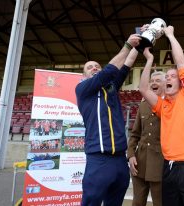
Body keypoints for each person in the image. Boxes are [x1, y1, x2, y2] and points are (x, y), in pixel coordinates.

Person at [139, 25, 184, 206]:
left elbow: (181, 62)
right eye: (166, 76)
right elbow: (143, 89)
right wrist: (149, 59)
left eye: (173, 76)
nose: (168, 78)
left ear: (182, 82)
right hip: (167, 167)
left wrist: (169, 35)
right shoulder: (163, 106)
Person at [75, 34, 141, 206]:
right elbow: (109, 71)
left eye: (97, 66)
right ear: (84, 75)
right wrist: (127, 45)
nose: (95, 68)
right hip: (99, 158)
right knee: (91, 202)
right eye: (90, 68)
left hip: (120, 159)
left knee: (115, 203)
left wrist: (142, 42)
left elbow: (125, 66)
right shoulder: (82, 89)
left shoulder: (110, 88)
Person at [127, 70, 165, 206]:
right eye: (152, 81)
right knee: (137, 202)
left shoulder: (170, 105)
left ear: (165, 84)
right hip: (140, 162)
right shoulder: (143, 105)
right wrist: (131, 154)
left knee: (160, 202)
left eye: (158, 81)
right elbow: (135, 133)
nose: (154, 83)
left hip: (160, 163)